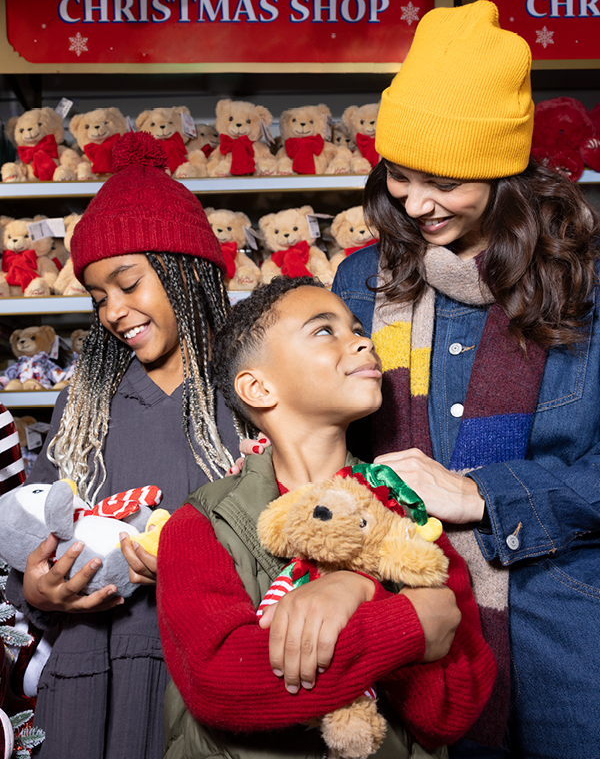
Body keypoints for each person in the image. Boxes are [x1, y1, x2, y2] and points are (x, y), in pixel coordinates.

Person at [332, 1, 600, 759]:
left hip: (567, 642)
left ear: (502, 172)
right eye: (401, 176)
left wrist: (487, 495)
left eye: (443, 182)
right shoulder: (360, 283)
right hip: (403, 624)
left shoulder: (584, 288)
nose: (415, 205)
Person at [157, 275, 497, 759]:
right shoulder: (200, 526)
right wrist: (407, 625)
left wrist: (359, 589)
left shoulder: (410, 514)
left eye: (357, 328)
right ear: (258, 387)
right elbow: (223, 683)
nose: (363, 340)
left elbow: (451, 710)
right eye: (324, 330)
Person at [4, 132, 243, 759]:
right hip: (93, 673)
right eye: (98, 296)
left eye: (128, 283)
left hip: (217, 666)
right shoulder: (83, 403)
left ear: (188, 269)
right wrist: (34, 592)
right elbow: (32, 528)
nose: (114, 311)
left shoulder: (251, 390)